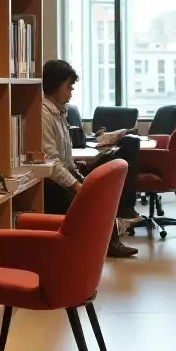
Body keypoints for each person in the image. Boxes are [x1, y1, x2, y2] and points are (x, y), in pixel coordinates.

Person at [41, 59, 142, 258]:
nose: (71, 92)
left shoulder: (60, 112)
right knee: (92, 196)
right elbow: (50, 162)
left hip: (65, 173)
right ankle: (110, 240)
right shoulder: (43, 114)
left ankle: (115, 230)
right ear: (54, 86)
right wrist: (76, 185)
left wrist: (79, 176)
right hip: (49, 184)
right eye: (68, 87)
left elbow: (64, 159)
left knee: (104, 181)